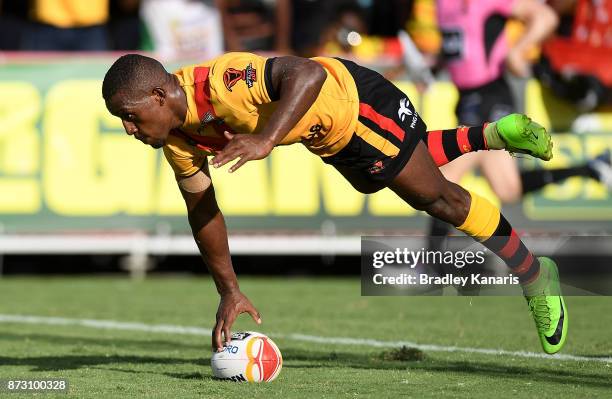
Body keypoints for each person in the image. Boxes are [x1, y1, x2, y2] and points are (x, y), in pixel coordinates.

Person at [102, 51, 567, 355]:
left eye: (129, 116)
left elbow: (307, 72)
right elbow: (203, 210)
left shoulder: (223, 83)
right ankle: (493, 134)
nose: (129, 128)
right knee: (399, 165)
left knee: (437, 196)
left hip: (352, 103)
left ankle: (533, 272)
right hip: (328, 134)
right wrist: (228, 289)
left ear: (160, 96)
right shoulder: (178, 141)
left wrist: (265, 138)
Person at [427, 0, 612, 261]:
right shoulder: (441, 5)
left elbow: (546, 16)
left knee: (443, 179)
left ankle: (431, 266)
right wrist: (431, 67)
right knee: (508, 189)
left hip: (489, 96)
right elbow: (458, 48)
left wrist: (519, 50)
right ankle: (589, 169)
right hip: (467, 98)